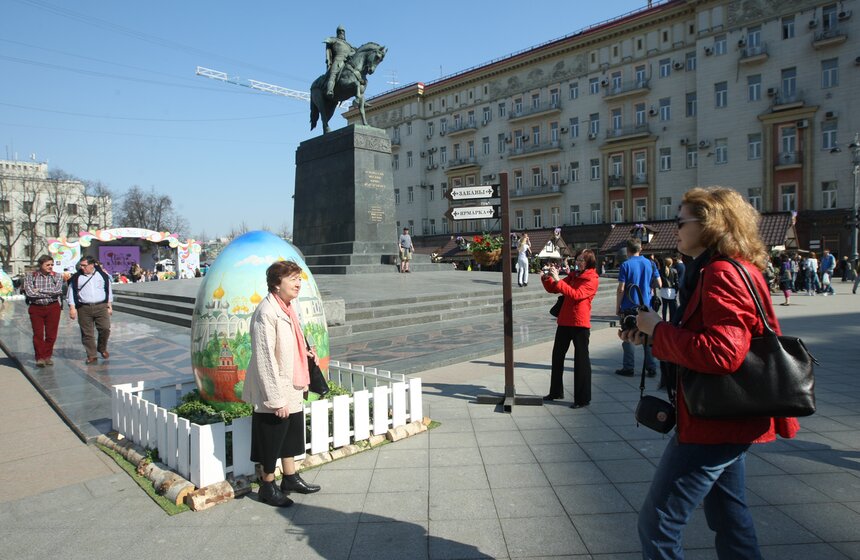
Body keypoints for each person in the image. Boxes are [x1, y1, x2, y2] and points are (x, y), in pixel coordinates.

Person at [627, 187, 799, 559]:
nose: (674, 230)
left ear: (708, 225)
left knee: (657, 524)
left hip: (715, 422)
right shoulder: (719, 268)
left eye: (680, 221)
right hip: (729, 418)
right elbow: (707, 337)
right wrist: (653, 335)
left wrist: (659, 329)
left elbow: (722, 353)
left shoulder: (721, 273)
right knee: (729, 517)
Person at [243, 260, 321, 507]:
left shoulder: (287, 308)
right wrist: (275, 399)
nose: (299, 283)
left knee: (290, 435)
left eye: (299, 278)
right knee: (272, 438)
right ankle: (267, 485)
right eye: (293, 279)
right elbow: (264, 359)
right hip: (275, 388)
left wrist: (306, 354)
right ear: (277, 284)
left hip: (292, 383)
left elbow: (291, 343)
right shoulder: (266, 313)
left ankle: (290, 478)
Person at [541, 249, 599, 408]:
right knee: (557, 356)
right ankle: (556, 392)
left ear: (589, 262)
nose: (579, 262)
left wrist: (558, 280)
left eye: (582, 260)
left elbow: (576, 294)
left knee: (581, 361)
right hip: (565, 320)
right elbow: (554, 288)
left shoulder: (592, 279)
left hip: (579, 323)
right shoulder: (574, 276)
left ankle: (582, 398)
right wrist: (547, 277)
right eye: (578, 259)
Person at [615, 238, 661, 377]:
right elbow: (659, 283)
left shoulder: (625, 265)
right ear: (640, 249)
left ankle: (629, 368)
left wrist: (618, 307)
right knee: (646, 337)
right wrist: (648, 288)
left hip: (629, 307)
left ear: (627, 250)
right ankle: (651, 367)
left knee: (628, 337)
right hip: (645, 307)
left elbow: (621, 289)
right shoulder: (650, 263)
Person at [68, 255, 113, 364]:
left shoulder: (102, 275)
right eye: (81, 265)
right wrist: (72, 308)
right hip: (84, 308)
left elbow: (108, 290)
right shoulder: (77, 277)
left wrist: (109, 305)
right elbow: (70, 293)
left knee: (105, 328)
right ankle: (91, 355)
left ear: (92, 265)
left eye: (84, 265)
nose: (82, 267)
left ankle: (101, 348)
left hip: (101, 306)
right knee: (87, 333)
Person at [23, 255, 64, 367]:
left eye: (52, 264)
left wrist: (39, 290)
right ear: (41, 265)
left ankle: (47, 356)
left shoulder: (57, 276)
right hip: (36, 308)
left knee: (51, 335)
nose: (50, 267)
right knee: (38, 334)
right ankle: (40, 357)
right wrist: (48, 292)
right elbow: (30, 293)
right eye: (47, 265)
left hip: (53, 307)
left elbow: (58, 291)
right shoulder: (31, 276)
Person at [323, 25, 357, 99]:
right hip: (338, 60)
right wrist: (328, 40)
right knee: (333, 75)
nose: (341, 32)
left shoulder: (348, 45)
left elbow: (354, 52)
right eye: (340, 31)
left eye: (343, 31)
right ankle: (330, 90)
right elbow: (328, 40)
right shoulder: (334, 40)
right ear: (337, 32)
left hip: (347, 62)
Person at [658, 257, 679, 322]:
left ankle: (664, 319)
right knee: (671, 307)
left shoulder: (660, 270)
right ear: (671, 263)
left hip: (664, 290)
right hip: (672, 290)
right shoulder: (674, 270)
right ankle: (671, 320)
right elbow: (677, 282)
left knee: (664, 306)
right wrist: (676, 290)